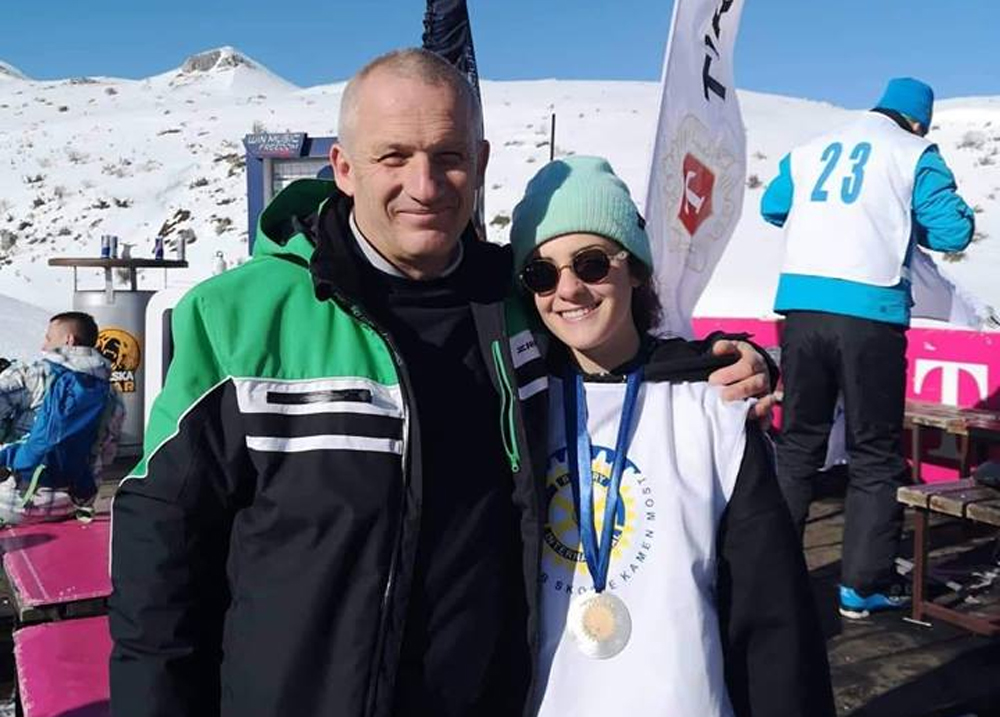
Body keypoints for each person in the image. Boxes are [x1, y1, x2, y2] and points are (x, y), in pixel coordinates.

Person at [109, 48, 772, 717]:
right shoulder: (239, 317)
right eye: (393, 157)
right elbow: (160, 550)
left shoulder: (517, 302)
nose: (424, 185)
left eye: (448, 156)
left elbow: (610, 349)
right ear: (344, 168)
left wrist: (729, 361)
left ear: (479, 163)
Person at [509, 155, 834, 716]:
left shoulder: (712, 404)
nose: (569, 290)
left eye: (591, 264)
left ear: (634, 268)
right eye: (542, 273)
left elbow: (770, 612)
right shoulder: (516, 406)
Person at [761, 77, 975, 618]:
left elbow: (773, 205)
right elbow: (952, 232)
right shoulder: (915, 152)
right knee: (874, 453)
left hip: (802, 311)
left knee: (798, 444)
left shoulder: (811, 149)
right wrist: (904, 222)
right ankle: (862, 585)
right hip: (870, 315)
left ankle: (770, 573)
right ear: (919, 121)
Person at [0, 311, 122, 524]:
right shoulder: (111, 394)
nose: (43, 345)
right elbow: (108, 452)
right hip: (73, 505)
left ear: (69, 340)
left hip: (13, 503)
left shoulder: (34, 374)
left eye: (48, 338)